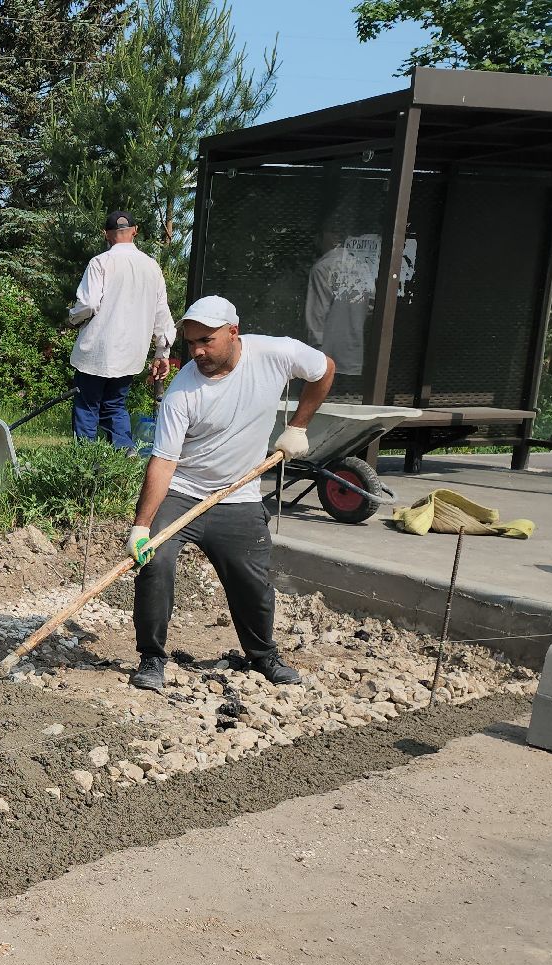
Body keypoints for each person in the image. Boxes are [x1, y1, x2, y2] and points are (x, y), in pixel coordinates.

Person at [126, 295, 336, 692]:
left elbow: (325, 369)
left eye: (206, 340)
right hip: (184, 492)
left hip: (237, 498)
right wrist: (142, 526)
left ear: (233, 332)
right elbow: (164, 462)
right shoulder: (182, 393)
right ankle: (152, 657)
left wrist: (299, 425)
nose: (198, 351)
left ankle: (262, 655)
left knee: (252, 583)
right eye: (191, 343)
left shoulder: (276, 353)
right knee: (155, 561)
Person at [66, 210, 175, 449]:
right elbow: (162, 315)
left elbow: (89, 303)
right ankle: (124, 455)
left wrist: (73, 318)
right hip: (130, 353)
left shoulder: (100, 263)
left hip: (96, 350)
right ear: (135, 231)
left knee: (87, 406)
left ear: (106, 234)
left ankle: (85, 462)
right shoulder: (152, 267)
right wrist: (161, 354)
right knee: (115, 405)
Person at [305, 223, 372, 377]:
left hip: (326, 357)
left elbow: (317, 315)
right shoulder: (362, 267)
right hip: (354, 353)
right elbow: (371, 305)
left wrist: (312, 356)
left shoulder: (323, 268)